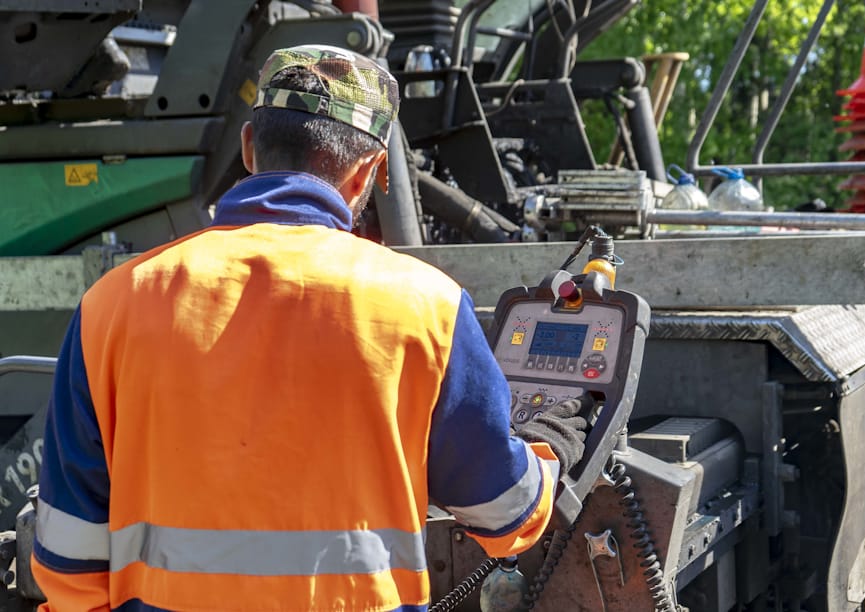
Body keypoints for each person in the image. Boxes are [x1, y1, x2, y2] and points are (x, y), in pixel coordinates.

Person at [31, 44, 587, 611]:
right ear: (367, 172)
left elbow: (67, 559)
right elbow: (504, 513)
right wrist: (552, 448)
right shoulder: (428, 307)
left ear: (249, 147)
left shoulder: (112, 304)